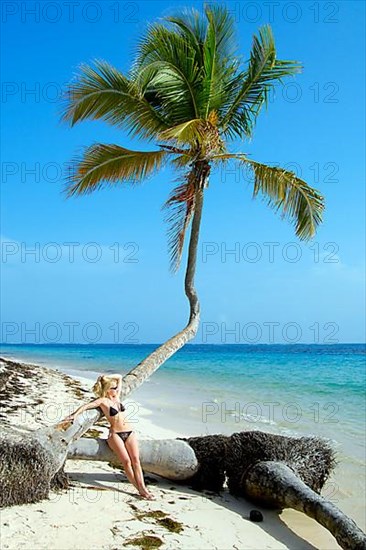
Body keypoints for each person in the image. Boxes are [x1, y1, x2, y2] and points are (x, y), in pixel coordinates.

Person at [64, 373, 154, 500]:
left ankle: (142, 487)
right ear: (107, 389)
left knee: (136, 460)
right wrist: (74, 415)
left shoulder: (117, 397)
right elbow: (86, 406)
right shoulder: (103, 401)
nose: (116, 389)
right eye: (113, 387)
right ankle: (141, 490)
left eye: (116, 387)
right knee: (127, 462)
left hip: (130, 433)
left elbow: (120, 377)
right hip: (115, 435)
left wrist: (105, 376)